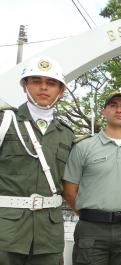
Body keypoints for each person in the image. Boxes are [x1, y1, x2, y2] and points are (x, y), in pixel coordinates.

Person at [63, 91, 121, 265]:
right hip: (91, 229)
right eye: (113, 106)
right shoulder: (84, 147)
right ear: (104, 111)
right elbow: (69, 190)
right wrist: (91, 215)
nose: (119, 110)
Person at [0, 56, 74, 264]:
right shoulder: (5, 121)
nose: (43, 88)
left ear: (61, 90)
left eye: (51, 83)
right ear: (25, 86)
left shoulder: (66, 134)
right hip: (6, 231)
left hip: (48, 234)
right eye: (36, 81)